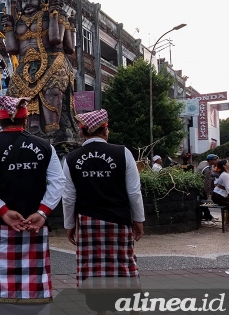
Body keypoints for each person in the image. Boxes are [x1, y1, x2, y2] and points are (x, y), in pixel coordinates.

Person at [0, 96, 65, 315]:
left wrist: (3, 211)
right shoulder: (45, 146)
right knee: (36, 282)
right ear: (25, 120)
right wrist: (42, 212)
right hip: (34, 225)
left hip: (0, 226)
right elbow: (58, 181)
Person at [62, 109, 145, 315]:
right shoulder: (122, 153)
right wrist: (139, 219)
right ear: (105, 130)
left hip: (88, 222)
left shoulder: (72, 158)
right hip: (119, 221)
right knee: (121, 263)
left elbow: (69, 197)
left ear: (82, 133)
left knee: (95, 268)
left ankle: (100, 309)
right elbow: (134, 192)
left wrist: (69, 225)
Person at [2, 0, 77, 139]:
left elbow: (56, 39)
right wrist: (8, 28)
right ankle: (18, 129)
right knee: (12, 94)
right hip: (25, 63)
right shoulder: (19, 20)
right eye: (24, 0)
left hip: (53, 58)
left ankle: (52, 130)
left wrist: (54, 15)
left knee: (52, 91)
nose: (28, 3)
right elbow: (12, 49)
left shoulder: (54, 13)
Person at [212, 159, 229, 232]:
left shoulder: (228, 173)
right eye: (228, 162)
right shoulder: (225, 175)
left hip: (223, 195)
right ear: (224, 166)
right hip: (218, 196)